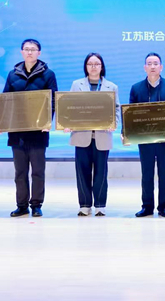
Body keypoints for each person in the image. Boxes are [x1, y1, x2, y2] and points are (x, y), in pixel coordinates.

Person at [4, 39, 58, 218]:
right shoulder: (13, 75)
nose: (29, 52)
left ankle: (36, 205)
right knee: (20, 172)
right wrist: (2, 123)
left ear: (39, 53)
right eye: (26, 49)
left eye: (33, 49)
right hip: (17, 132)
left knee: (37, 171)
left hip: (38, 131)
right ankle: (21, 205)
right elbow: (5, 101)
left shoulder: (48, 74)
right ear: (21, 52)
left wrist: (47, 122)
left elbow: (52, 101)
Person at [65, 52, 121, 217]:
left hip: (102, 135)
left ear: (102, 67)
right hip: (81, 135)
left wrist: (114, 123)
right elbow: (69, 107)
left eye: (97, 64)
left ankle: (100, 205)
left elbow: (116, 109)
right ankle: (84, 205)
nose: (93, 67)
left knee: (101, 172)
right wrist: (67, 123)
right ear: (86, 67)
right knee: (82, 172)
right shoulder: (77, 85)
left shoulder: (111, 87)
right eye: (90, 64)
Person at [129, 52, 165, 218]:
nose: (152, 66)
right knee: (147, 174)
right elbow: (130, 114)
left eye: (155, 63)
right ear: (145, 67)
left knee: (164, 173)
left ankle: (163, 206)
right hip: (144, 139)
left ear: (161, 67)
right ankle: (147, 206)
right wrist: (127, 133)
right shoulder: (136, 88)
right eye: (149, 63)